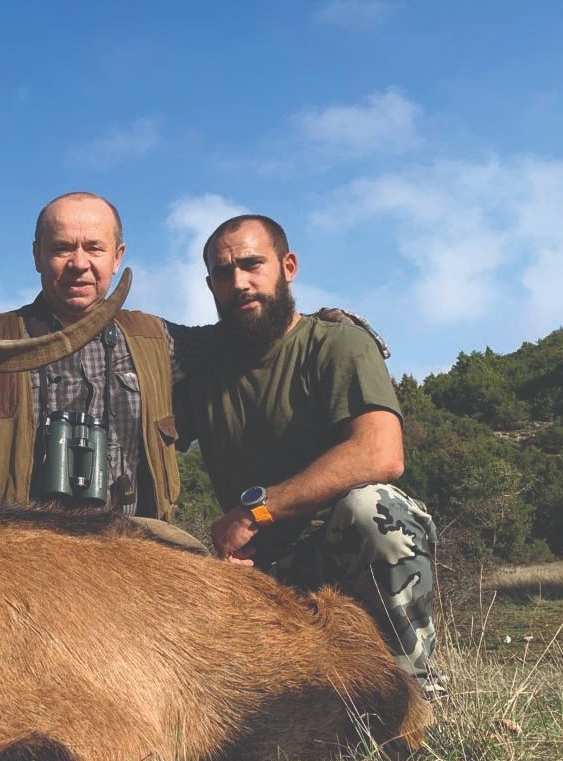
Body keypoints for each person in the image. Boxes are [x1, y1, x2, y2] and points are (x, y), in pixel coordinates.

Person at [174, 214, 439, 688]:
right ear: (210, 286)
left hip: (340, 559)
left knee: (376, 510)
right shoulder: (201, 369)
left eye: (252, 264)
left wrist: (256, 511)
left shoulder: (338, 343)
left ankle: (414, 691)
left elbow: (381, 452)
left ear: (288, 266)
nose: (240, 283)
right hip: (253, 573)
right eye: (223, 273)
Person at [0, 191, 184, 521]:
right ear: (37, 256)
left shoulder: (156, 339)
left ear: (117, 257)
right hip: (16, 548)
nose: (79, 264)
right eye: (62, 248)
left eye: (94, 248)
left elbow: (234, 348)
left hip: (133, 547)